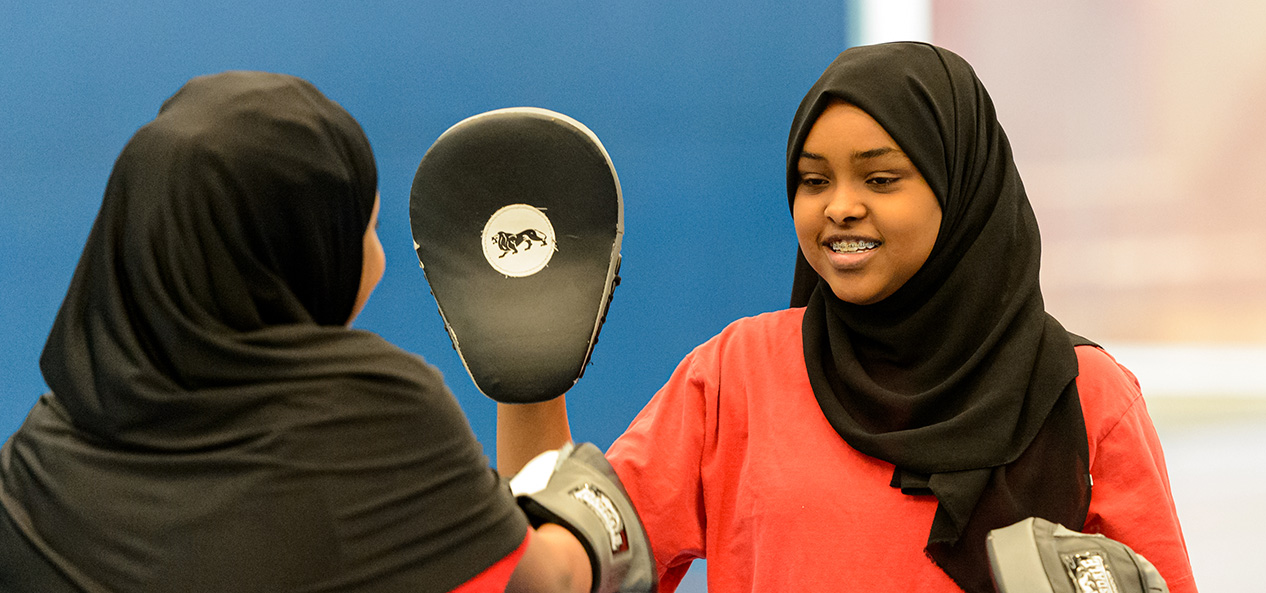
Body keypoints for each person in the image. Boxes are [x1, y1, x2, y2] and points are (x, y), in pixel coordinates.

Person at [498, 42, 1198, 593]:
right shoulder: (738, 373)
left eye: (881, 177)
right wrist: (528, 370)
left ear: (960, 189)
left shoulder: (1084, 394)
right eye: (813, 179)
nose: (839, 206)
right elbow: (567, 568)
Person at [0, 71, 616, 593]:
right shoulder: (375, 425)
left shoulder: (33, 465)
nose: (376, 258)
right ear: (297, 259)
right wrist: (594, 502)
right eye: (364, 231)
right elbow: (545, 583)